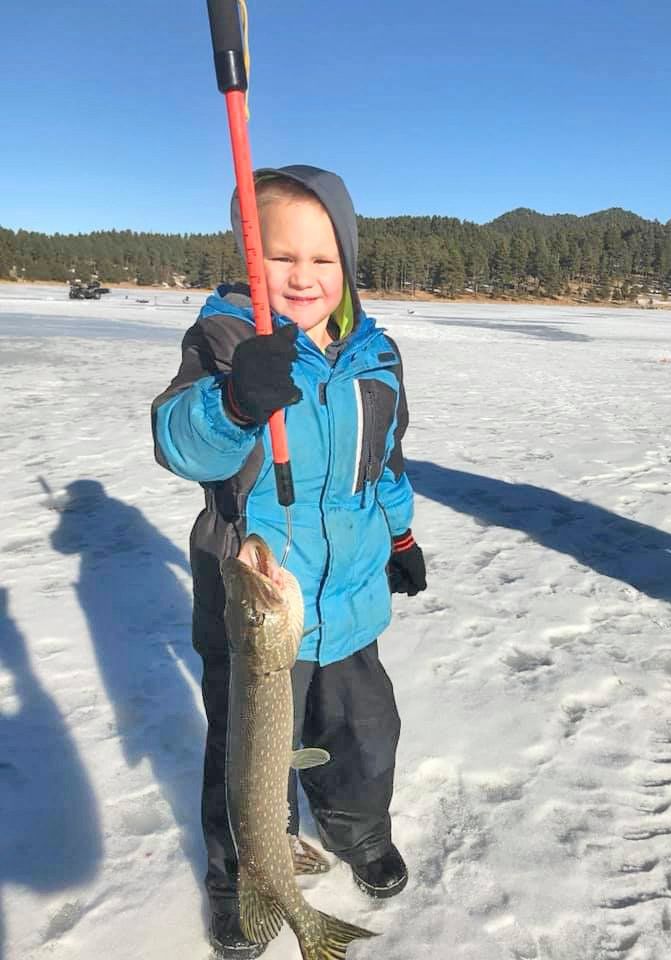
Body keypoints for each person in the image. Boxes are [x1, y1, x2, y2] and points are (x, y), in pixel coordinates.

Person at [151, 165, 427, 958]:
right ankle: (247, 880)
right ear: (247, 257)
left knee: (364, 734)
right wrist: (235, 400)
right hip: (257, 600)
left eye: (322, 257)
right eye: (280, 256)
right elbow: (177, 440)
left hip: (347, 597)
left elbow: (390, 460)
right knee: (246, 757)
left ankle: (357, 828)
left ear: (347, 263)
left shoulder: (377, 354)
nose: (302, 276)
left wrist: (402, 539)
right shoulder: (227, 340)